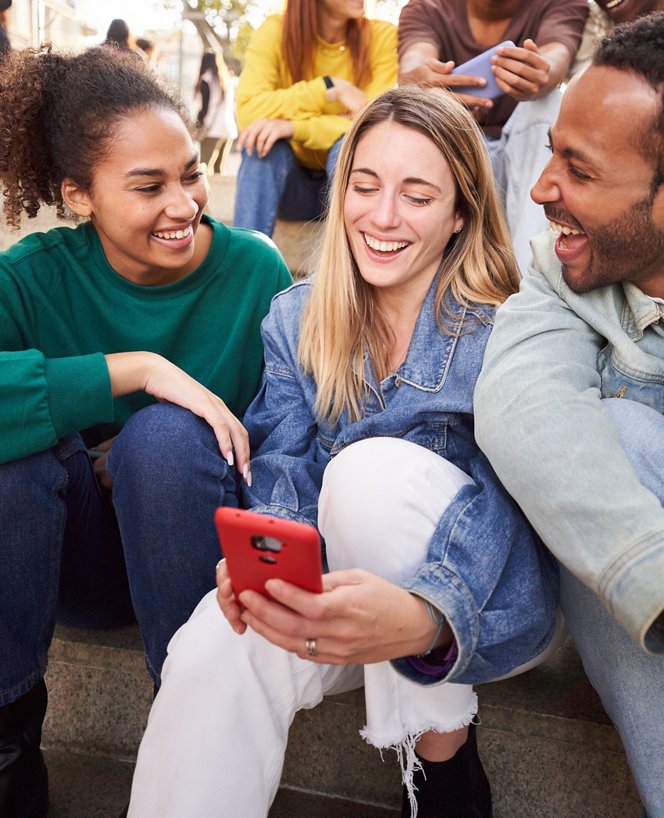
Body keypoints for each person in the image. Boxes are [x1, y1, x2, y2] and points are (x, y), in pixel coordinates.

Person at [126, 86, 561, 818]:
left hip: (480, 611)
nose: (382, 217)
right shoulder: (297, 317)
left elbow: (511, 508)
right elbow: (285, 468)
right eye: (364, 186)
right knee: (208, 651)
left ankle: (441, 754)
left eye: (417, 196)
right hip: (344, 600)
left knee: (366, 474)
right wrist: (266, 566)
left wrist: (428, 614)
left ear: (460, 213)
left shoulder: (508, 330)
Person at [0, 46, 291, 818]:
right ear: (79, 194)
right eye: (148, 185)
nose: (184, 204)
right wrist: (135, 370)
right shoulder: (29, 278)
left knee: (161, 440)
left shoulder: (255, 274)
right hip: (74, 566)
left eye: (191, 173)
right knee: (14, 465)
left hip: (202, 570)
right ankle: (8, 752)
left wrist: (137, 449)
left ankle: (192, 725)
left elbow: (287, 440)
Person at [474, 14, 664, 817]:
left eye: (577, 169)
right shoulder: (560, 273)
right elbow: (524, 411)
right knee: (611, 445)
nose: (541, 188)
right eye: (551, 153)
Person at [398, 0, 588, 276]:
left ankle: (525, 281)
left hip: (525, 153)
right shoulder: (428, 7)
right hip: (457, 145)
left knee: (547, 103)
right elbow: (415, 58)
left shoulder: (559, 4)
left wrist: (542, 72)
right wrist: (418, 81)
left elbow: (556, 54)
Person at [232, 0, 397, 238]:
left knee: (350, 144)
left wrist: (294, 127)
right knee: (261, 145)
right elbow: (249, 112)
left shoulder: (382, 35)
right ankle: (247, 256)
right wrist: (329, 88)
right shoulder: (275, 31)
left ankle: (360, 258)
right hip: (287, 189)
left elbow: (377, 125)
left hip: (347, 187)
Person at [193, 51, 238, 176]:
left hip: (212, 130)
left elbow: (204, 108)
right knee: (219, 170)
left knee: (204, 168)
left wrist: (198, 125)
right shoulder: (227, 79)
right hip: (228, 129)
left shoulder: (206, 79)